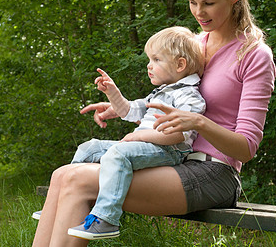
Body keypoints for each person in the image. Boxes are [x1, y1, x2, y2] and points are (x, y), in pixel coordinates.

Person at [32, 0, 276, 247]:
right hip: (172, 159)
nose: (199, 11)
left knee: (78, 180)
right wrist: (124, 109)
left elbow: (246, 148)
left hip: (214, 172)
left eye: (209, 3)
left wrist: (200, 122)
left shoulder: (254, 55)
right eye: (192, 2)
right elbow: (168, 111)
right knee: (63, 174)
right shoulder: (192, 46)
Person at [66, 26, 206, 240]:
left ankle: (107, 218)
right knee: (90, 147)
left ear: (180, 65)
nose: (149, 66)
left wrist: (139, 136)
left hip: (168, 150)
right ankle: (69, 203)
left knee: (118, 154)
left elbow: (178, 136)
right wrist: (113, 92)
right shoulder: (160, 92)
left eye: (156, 60)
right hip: (144, 145)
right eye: (149, 60)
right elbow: (128, 110)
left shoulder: (189, 96)